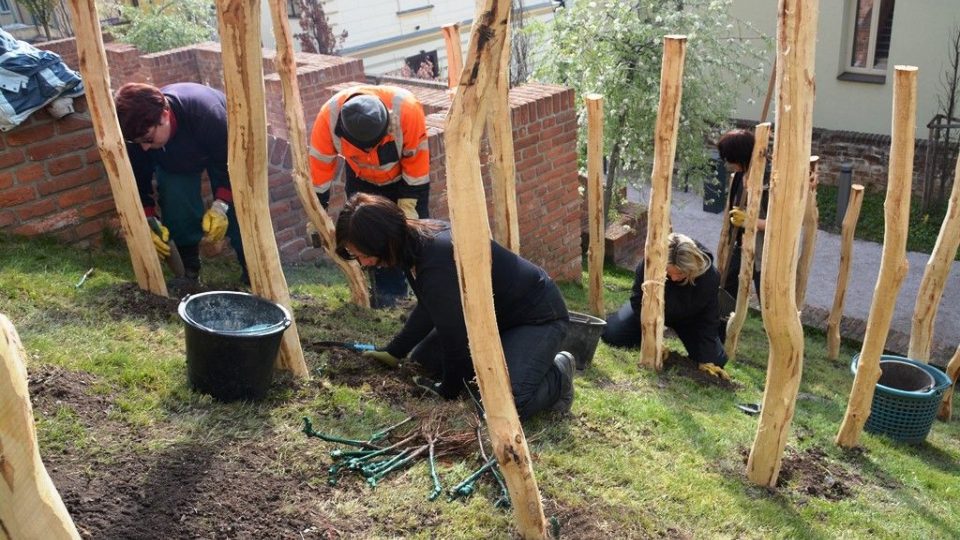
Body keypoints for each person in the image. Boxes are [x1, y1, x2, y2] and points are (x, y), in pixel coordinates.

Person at [334, 193, 575, 420]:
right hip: (493, 319)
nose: (364, 263)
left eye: (363, 255)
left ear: (383, 240)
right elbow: (431, 306)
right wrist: (395, 351)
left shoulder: (436, 261)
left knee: (504, 406)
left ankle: (559, 374)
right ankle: (504, 365)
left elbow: (456, 338)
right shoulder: (411, 242)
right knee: (425, 362)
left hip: (535, 318)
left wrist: (447, 391)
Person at [309, 84, 430, 307]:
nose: (370, 153)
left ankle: (428, 297)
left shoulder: (407, 111)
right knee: (370, 241)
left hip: (405, 181)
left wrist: (408, 206)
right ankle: (389, 302)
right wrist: (316, 214)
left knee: (415, 242)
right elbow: (319, 174)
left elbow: (417, 166)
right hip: (362, 182)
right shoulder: (328, 119)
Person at [114, 82, 246, 283]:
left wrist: (221, 206)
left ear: (165, 116)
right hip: (176, 156)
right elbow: (138, 180)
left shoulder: (208, 114)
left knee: (238, 210)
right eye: (138, 142)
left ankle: (252, 272)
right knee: (176, 199)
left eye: (148, 139)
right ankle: (189, 270)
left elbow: (231, 167)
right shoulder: (139, 136)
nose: (145, 149)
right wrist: (149, 220)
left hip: (221, 149)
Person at [601, 233, 730, 380]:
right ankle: (639, 337)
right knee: (612, 335)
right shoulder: (650, 264)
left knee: (716, 360)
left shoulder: (709, 277)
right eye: (669, 273)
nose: (674, 278)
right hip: (650, 311)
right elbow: (638, 300)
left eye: (680, 273)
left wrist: (706, 358)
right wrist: (653, 337)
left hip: (690, 319)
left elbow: (708, 317)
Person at [716, 128, 768, 300]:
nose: (727, 163)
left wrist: (749, 221)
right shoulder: (739, 176)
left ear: (740, 155)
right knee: (726, 293)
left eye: (730, 158)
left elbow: (781, 224)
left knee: (767, 301)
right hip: (739, 247)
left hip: (763, 254)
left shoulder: (767, 182)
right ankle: (723, 326)